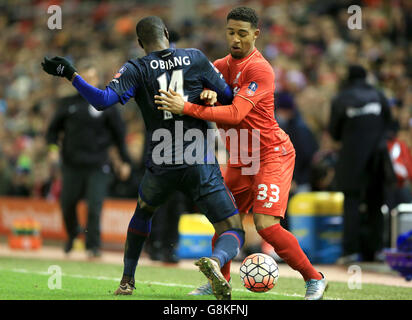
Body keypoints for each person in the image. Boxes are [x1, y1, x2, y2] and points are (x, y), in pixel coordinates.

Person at [41, 16, 245, 301]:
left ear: (140, 43)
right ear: (165, 33)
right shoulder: (195, 58)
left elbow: (102, 101)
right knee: (232, 228)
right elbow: (229, 98)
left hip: (161, 163)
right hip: (198, 159)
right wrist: (209, 95)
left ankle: (127, 280)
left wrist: (71, 74)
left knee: (143, 213)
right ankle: (217, 258)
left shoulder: (136, 67)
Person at [155, 6, 327, 300]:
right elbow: (200, 92)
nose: (235, 39)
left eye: (242, 34)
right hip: (240, 157)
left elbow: (235, 113)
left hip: (271, 153)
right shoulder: (219, 65)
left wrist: (187, 106)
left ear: (256, 35)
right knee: (223, 219)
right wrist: (203, 96)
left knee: (266, 227)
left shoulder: (259, 69)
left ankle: (314, 279)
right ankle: (218, 283)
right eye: (231, 32)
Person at [46, 65, 132, 258]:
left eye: (92, 77)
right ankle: (72, 233)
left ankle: (93, 246)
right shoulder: (67, 104)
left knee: (95, 205)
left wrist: (125, 161)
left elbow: (120, 136)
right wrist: (52, 149)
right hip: (71, 164)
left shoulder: (106, 104)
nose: (89, 81)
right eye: (85, 78)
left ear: (98, 80)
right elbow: (52, 131)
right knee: (67, 203)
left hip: (98, 164)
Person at [328, 65, 394, 263]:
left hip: (351, 159)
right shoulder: (379, 95)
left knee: (351, 204)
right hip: (378, 157)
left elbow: (334, 132)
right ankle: (376, 251)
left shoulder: (341, 99)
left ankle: (350, 251)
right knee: (376, 203)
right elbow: (390, 124)